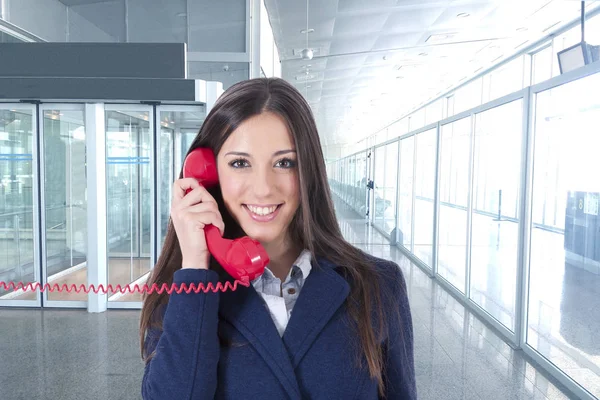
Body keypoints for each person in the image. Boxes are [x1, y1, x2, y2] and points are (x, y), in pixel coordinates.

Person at [139, 77, 416, 399]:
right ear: (207, 173)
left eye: (284, 163)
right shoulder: (185, 290)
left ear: (308, 170)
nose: (263, 188)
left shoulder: (378, 283)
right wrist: (196, 267)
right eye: (240, 163)